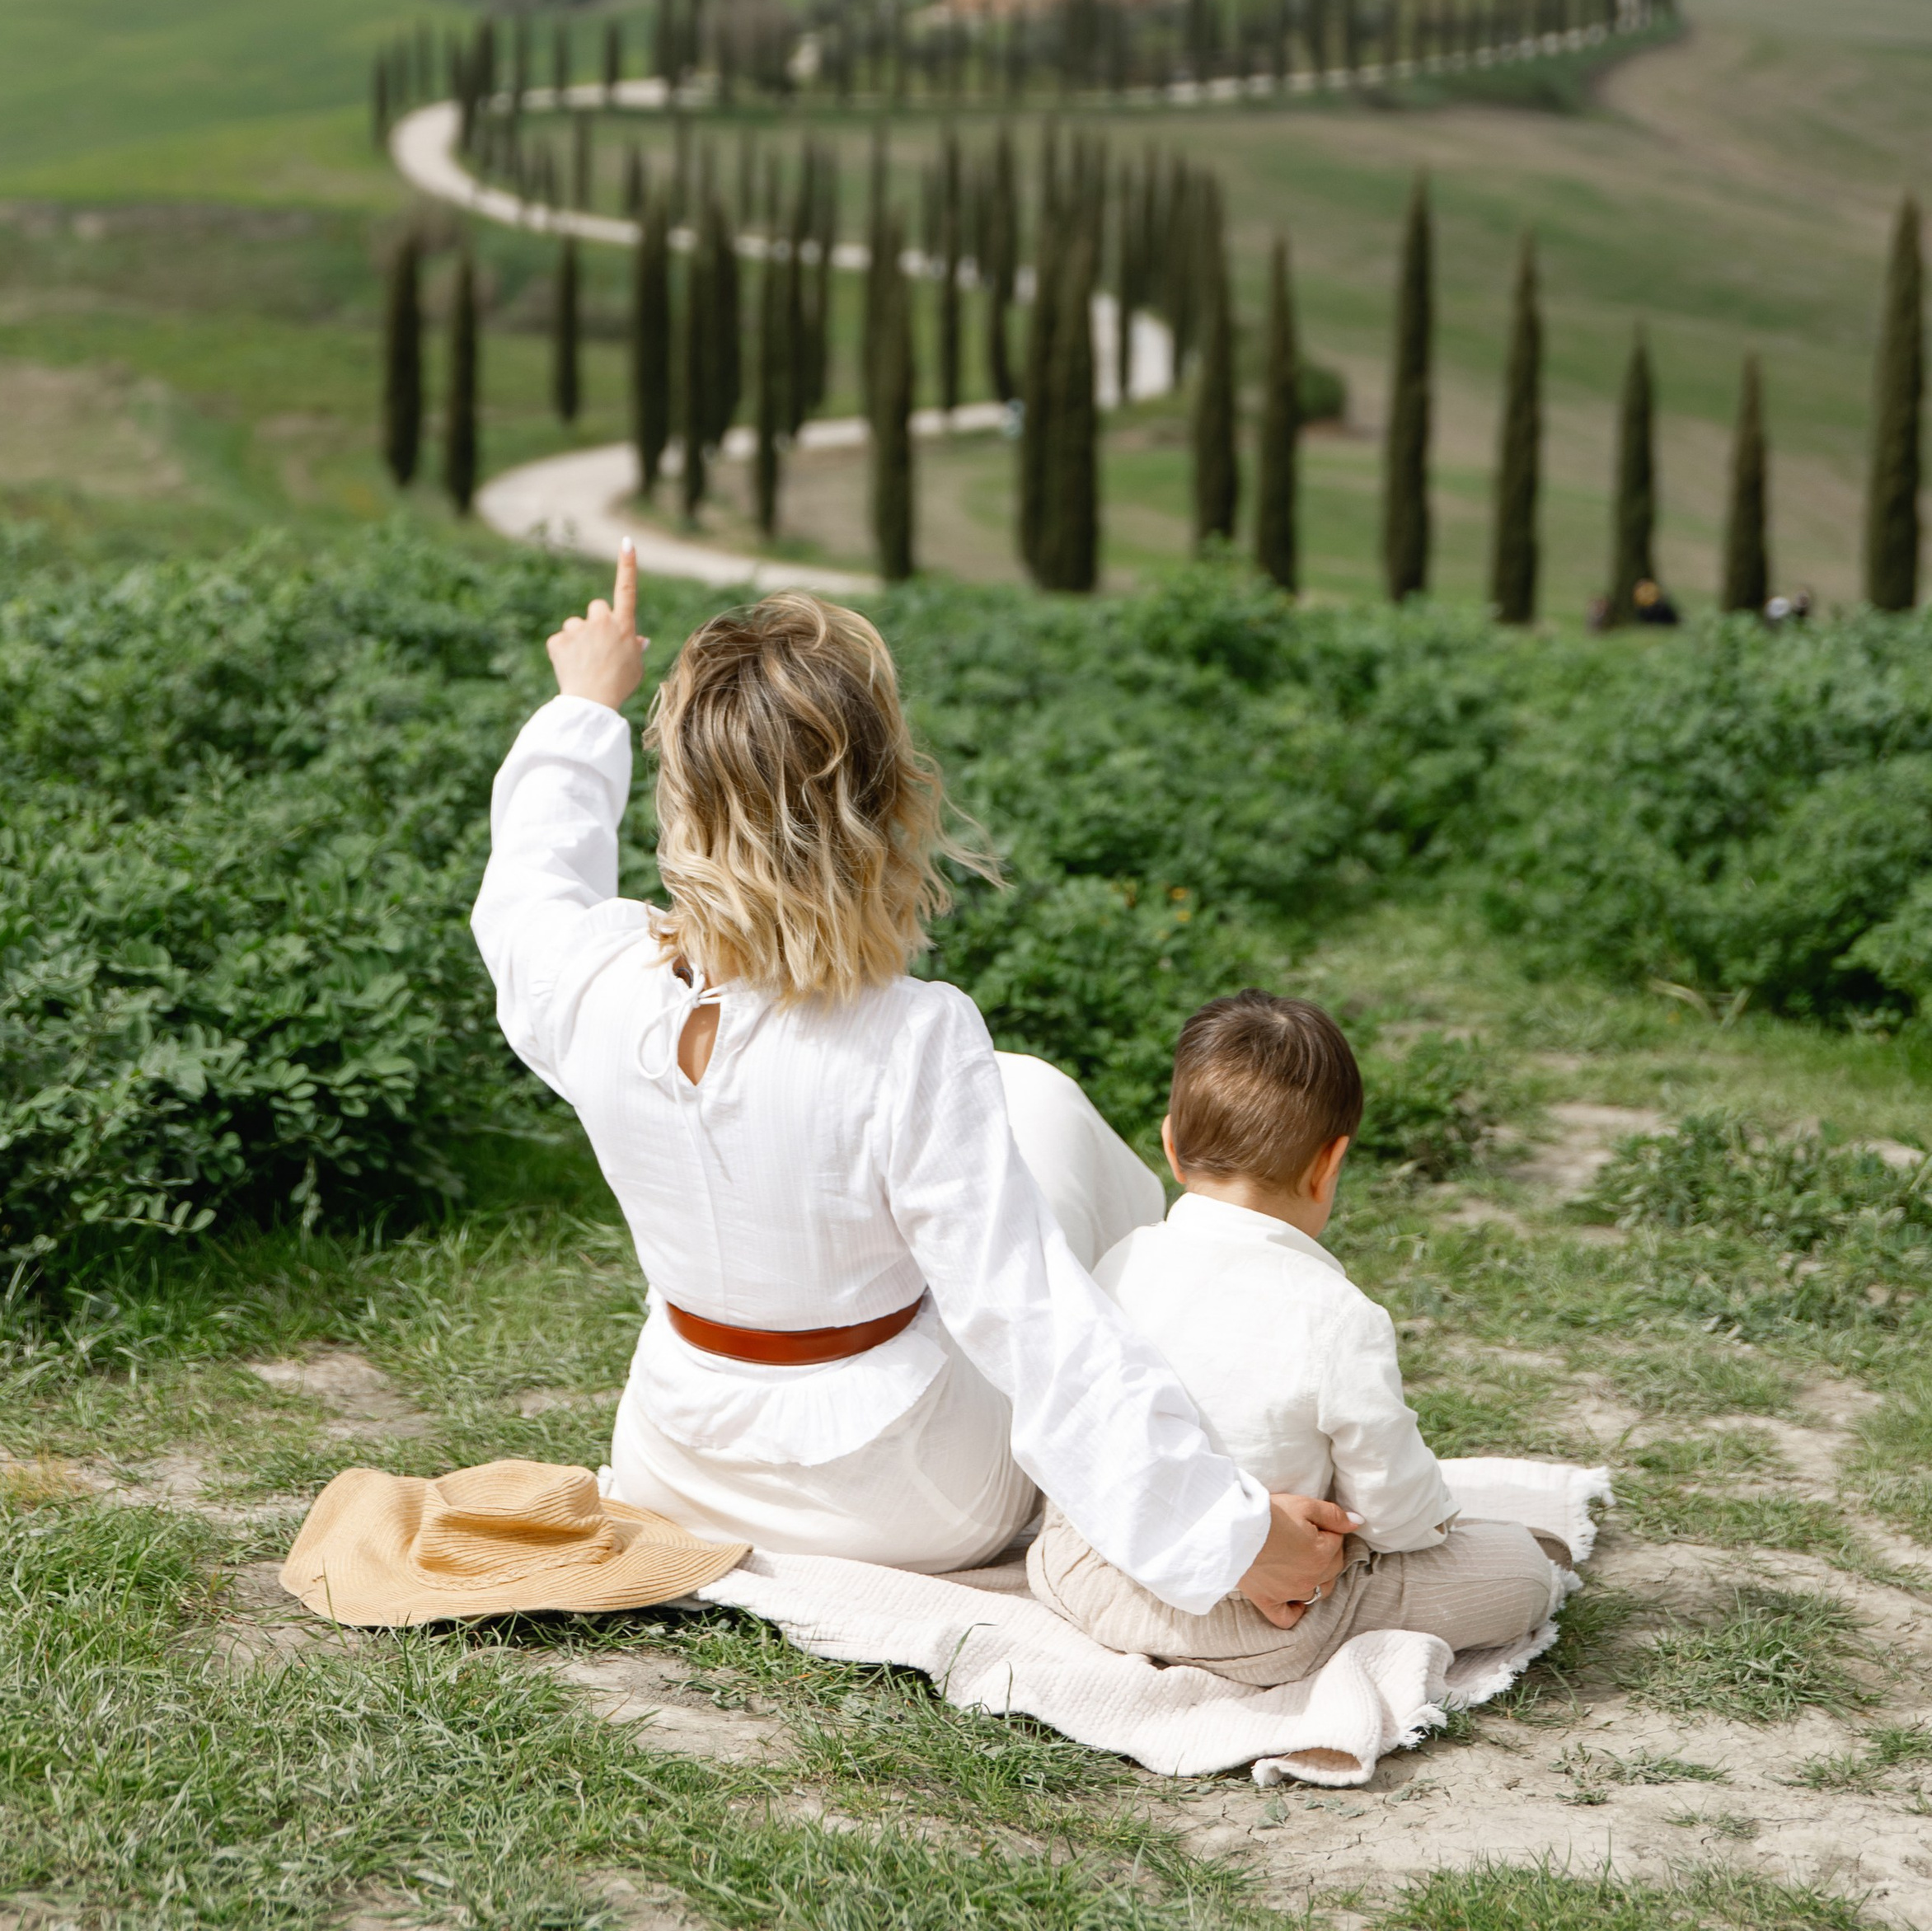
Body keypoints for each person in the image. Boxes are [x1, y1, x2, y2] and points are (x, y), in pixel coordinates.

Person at [471, 551, 1351, 1624]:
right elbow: (1037, 1325)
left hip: (674, 1463)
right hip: (901, 1498)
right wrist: (1235, 1541)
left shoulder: (593, 982)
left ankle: (1182, 1403)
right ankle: (1215, 1387)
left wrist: (581, 704)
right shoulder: (911, 1039)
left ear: (681, 798)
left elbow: (527, 883)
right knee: (1033, 1105)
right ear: (879, 801)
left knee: (1013, 1115)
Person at [1029, 991, 1566, 1682]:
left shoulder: (1119, 1261)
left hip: (1085, 1573)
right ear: (1328, 1164)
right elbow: (1393, 1512)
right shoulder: (1338, 1316)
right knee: (1519, 1570)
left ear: (1170, 1145)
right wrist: (1431, 1524)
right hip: (1256, 1617)